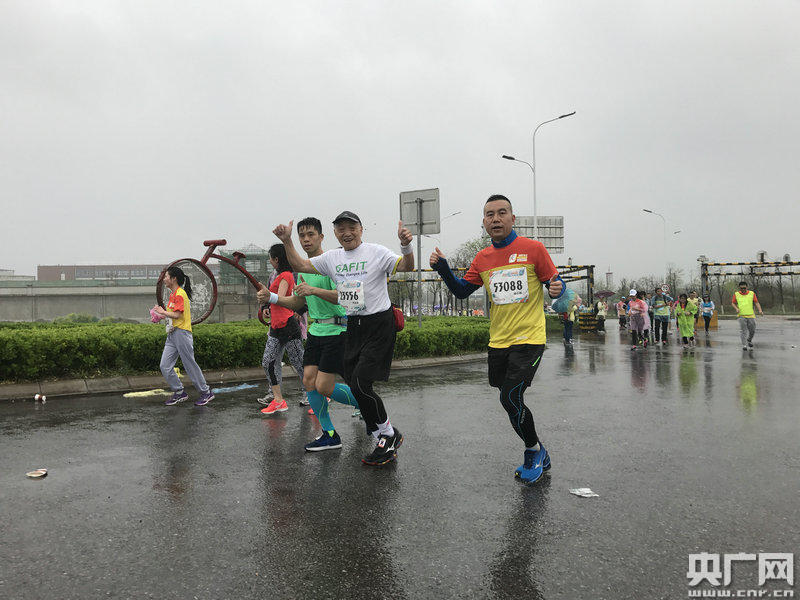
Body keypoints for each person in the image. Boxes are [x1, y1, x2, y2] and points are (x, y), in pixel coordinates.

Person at [430, 194, 564, 484]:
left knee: (510, 396)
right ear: (484, 222)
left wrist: (557, 289)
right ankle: (540, 450)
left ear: (513, 218)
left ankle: (533, 451)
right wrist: (443, 268)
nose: (496, 219)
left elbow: (554, 282)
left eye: (502, 213)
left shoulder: (533, 249)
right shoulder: (483, 258)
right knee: (507, 398)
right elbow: (462, 291)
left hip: (529, 338)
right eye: (490, 215)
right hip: (498, 341)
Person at [273, 211, 415, 466]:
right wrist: (286, 240)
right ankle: (381, 432)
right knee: (354, 384)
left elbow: (406, 266)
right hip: (354, 325)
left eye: (352, 227)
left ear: (361, 229)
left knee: (359, 383)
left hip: (378, 324)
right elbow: (301, 265)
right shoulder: (332, 258)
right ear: (335, 233)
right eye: (341, 229)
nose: (347, 233)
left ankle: (388, 434)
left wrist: (405, 246)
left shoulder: (376, 252)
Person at [258, 217, 359, 451]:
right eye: (302, 235)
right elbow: (297, 302)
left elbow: (346, 297)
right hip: (316, 331)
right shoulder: (303, 270)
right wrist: (271, 298)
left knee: (323, 386)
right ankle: (330, 434)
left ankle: (366, 403)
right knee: (308, 381)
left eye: (310, 234)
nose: (306, 239)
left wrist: (313, 290)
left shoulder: (332, 264)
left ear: (321, 237)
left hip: (338, 329)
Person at [153, 266, 215, 406]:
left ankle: (206, 392)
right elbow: (172, 315)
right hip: (172, 333)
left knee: (189, 364)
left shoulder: (180, 294)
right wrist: (159, 316)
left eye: (166, 277)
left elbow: (177, 315)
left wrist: (162, 312)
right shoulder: (173, 294)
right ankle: (179, 392)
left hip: (182, 333)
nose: (164, 279)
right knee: (165, 365)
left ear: (173, 279)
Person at [259, 244, 308, 415]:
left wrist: (267, 297)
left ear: (276, 259)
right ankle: (278, 400)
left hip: (288, 325)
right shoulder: (276, 275)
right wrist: (265, 305)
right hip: (275, 326)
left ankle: (313, 394)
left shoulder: (286, 275)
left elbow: (279, 298)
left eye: (270, 258)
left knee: (299, 362)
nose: (270, 261)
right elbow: (272, 299)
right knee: (268, 362)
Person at [731, 281, 763, 350]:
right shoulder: (736, 294)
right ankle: (744, 345)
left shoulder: (752, 293)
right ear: (739, 288)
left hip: (751, 315)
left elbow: (756, 302)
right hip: (741, 315)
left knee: (752, 330)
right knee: (743, 330)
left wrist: (760, 310)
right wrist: (736, 308)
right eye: (741, 288)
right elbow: (733, 303)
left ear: (747, 287)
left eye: (744, 288)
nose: (743, 289)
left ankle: (749, 340)